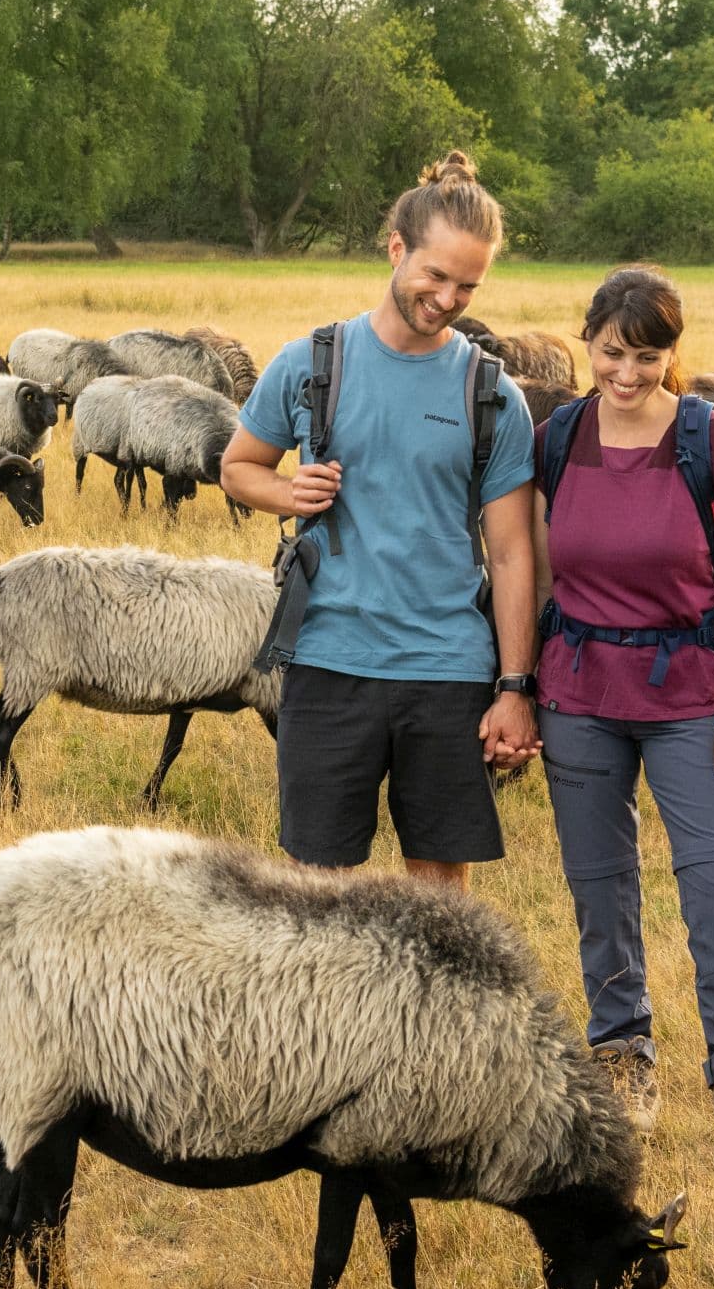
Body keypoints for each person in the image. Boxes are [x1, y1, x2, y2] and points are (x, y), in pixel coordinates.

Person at [530, 266, 714, 1159]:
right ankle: (622, 1061)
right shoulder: (557, 438)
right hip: (578, 693)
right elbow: (536, 574)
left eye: (647, 356)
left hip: (690, 694)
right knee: (600, 889)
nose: (626, 373)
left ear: (671, 354)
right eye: (612, 353)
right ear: (589, 345)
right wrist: (515, 686)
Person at [219, 152, 539, 888]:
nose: (448, 297)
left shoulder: (492, 396)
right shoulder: (309, 364)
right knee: (317, 891)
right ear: (396, 248)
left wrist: (515, 686)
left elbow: (515, 555)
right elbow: (238, 467)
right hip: (329, 662)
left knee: (439, 902)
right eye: (436, 275)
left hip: (449, 669)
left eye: (468, 285)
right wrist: (287, 494)